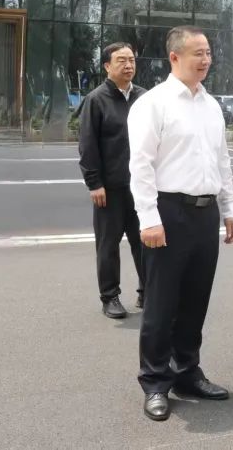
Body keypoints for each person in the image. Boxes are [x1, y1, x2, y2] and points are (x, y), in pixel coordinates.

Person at [128, 26, 233, 421]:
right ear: (174, 57)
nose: (206, 59)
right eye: (198, 53)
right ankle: (155, 382)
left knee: (195, 300)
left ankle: (187, 373)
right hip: (168, 212)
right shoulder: (153, 104)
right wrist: (149, 219)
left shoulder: (211, 106)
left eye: (208, 52)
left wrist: (228, 208)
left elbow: (222, 160)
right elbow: (141, 165)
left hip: (204, 213)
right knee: (161, 304)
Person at [78, 43, 146, 319]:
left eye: (131, 60)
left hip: (141, 187)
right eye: (121, 60)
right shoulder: (96, 100)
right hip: (110, 188)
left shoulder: (144, 98)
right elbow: (87, 145)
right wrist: (94, 183)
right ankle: (110, 297)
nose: (128, 65)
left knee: (146, 241)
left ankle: (147, 291)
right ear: (107, 66)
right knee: (108, 245)